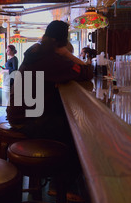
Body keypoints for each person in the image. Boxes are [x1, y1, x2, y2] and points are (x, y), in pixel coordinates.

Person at [6, 20, 93, 148]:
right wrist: (67, 53)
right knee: (77, 132)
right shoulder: (49, 59)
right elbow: (87, 72)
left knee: (68, 122)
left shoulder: (37, 52)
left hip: (19, 114)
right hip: (25, 120)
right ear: (61, 42)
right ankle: (64, 166)